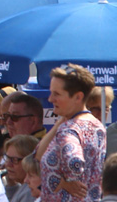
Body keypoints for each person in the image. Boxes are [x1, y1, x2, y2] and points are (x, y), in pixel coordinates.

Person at [36, 64, 106, 202]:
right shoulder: (98, 125)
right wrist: (62, 119)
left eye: (57, 94)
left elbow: (74, 162)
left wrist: (64, 182)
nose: (50, 99)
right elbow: (38, 154)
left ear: (78, 97)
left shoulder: (68, 129)